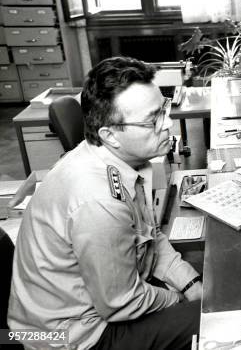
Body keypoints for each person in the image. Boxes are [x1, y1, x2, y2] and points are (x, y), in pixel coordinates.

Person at [8, 57, 202, 350]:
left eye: (164, 108)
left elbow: (150, 236)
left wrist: (190, 284)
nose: (169, 122)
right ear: (110, 135)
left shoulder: (115, 161)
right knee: (209, 319)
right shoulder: (98, 200)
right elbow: (121, 304)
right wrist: (178, 299)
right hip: (65, 337)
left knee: (204, 287)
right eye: (153, 120)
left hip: (88, 310)